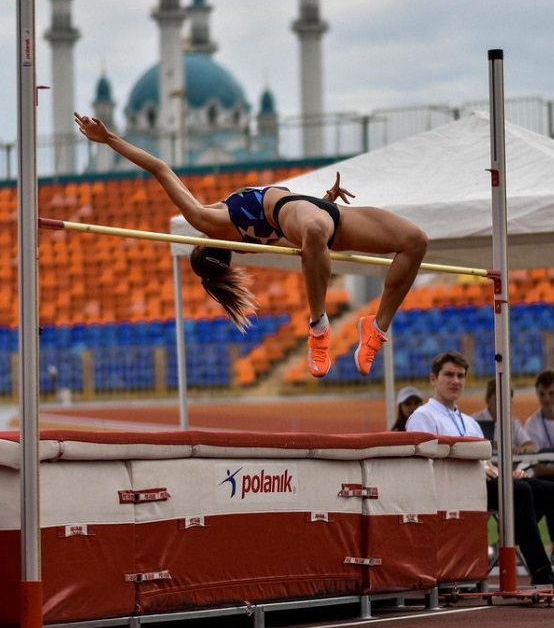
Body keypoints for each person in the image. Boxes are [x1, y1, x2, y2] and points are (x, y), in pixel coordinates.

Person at [74, 112, 428, 379]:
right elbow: (160, 168)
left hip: (320, 215)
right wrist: (109, 139)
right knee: (318, 233)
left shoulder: (237, 239)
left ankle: (376, 328)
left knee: (415, 242)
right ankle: (318, 327)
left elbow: (302, 233)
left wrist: (324, 199)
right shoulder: (208, 224)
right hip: (306, 218)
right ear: (205, 245)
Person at [406, 350, 554, 586]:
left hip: (483, 485)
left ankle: (516, 538)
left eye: (461, 376)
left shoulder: (470, 422)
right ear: (433, 378)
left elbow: (486, 462)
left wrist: (506, 474)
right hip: (453, 490)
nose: (455, 381)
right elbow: (424, 465)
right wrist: (479, 471)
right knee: (521, 492)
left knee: (546, 490)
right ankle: (541, 572)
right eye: (449, 375)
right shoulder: (423, 417)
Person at [473, 378, 536, 454]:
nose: (501, 402)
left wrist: (522, 449)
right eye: (497, 397)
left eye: (505, 398)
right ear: (488, 399)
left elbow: (530, 445)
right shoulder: (474, 421)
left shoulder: (513, 423)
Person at [525, 370, 554, 459]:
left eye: (551, 393)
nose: (547, 399)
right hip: (543, 473)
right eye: (542, 394)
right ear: (536, 393)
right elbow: (536, 466)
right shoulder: (532, 424)